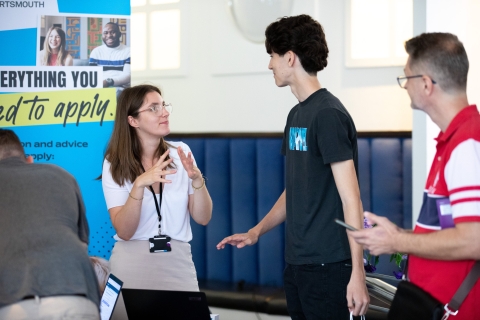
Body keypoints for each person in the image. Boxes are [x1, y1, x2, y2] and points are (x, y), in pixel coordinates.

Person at [216, 14, 369, 319]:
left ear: (289, 57)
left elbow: (352, 199)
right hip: (297, 266)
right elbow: (297, 189)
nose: (270, 64)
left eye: (272, 56)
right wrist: (256, 231)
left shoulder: (328, 115)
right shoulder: (296, 116)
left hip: (329, 267)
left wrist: (358, 273)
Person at [350, 32, 480, 320]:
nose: (405, 86)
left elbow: (473, 240)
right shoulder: (454, 139)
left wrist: (397, 243)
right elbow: (447, 232)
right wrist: (398, 234)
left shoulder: (466, 143)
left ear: (425, 83)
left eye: (406, 78)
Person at [100, 84, 212, 320]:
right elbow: (125, 230)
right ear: (133, 121)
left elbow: (203, 218)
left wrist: (197, 179)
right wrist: (139, 184)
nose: (164, 112)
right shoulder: (115, 163)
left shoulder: (180, 152)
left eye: (163, 105)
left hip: (177, 261)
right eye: (153, 108)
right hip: (131, 263)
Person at [0, 129, 100, 320]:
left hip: (15, 304)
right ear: (29, 160)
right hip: (79, 297)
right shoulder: (62, 175)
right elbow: (83, 243)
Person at [89, 22, 131, 92]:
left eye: (113, 32)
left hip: (121, 88)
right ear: (102, 35)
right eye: (105, 33)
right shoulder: (96, 52)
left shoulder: (128, 51)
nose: (109, 35)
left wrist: (108, 82)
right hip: (100, 88)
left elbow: (128, 76)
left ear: (119, 34)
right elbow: (92, 76)